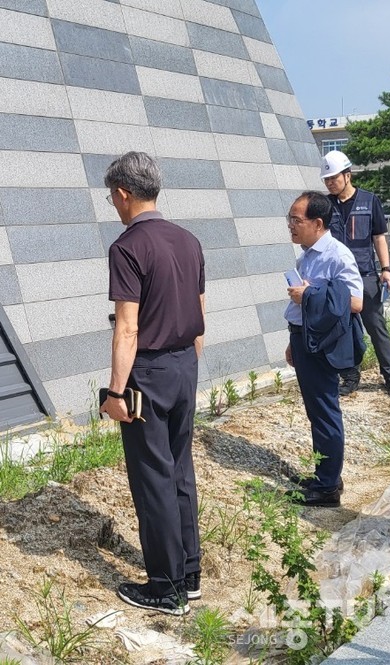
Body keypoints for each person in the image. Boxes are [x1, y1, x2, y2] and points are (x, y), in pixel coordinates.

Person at [100, 151, 205, 615]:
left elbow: (127, 327)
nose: (113, 203)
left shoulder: (127, 247)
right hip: (185, 365)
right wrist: (189, 372)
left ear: (124, 193)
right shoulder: (189, 241)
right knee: (180, 469)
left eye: (111, 196)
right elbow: (200, 317)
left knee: (152, 477)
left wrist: (115, 392)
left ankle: (165, 586)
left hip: (148, 372)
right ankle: (190, 572)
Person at [285, 191, 364, 507]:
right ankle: (325, 474)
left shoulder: (336, 255)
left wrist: (309, 295)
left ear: (317, 223)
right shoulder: (307, 254)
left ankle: (328, 486)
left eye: (296, 220)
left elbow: (356, 302)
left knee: (326, 412)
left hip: (321, 345)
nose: (290, 225)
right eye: (289, 219)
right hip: (304, 339)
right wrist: (293, 340)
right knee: (316, 412)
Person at [321, 150, 390, 397]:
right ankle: (349, 375)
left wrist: (386, 269)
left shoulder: (369, 201)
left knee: (376, 327)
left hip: (366, 275)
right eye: (326, 180)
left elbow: (379, 236)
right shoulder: (325, 205)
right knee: (341, 327)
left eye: (333, 178)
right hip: (336, 278)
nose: (329, 183)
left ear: (348, 175)